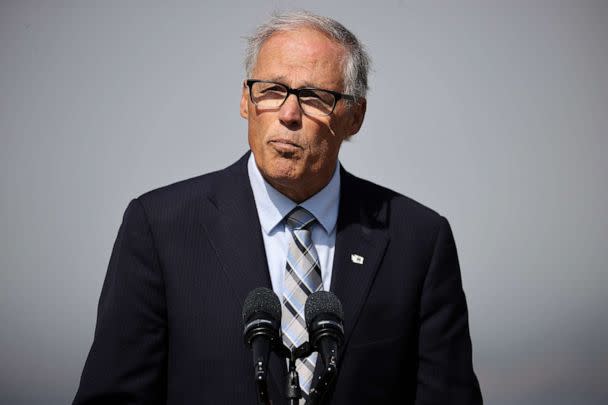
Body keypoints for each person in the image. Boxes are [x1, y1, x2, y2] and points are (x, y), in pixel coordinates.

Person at [73, 11, 482, 405]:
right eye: (271, 91)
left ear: (354, 116)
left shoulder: (418, 241)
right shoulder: (161, 227)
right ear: (245, 102)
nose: (288, 114)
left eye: (314, 97)